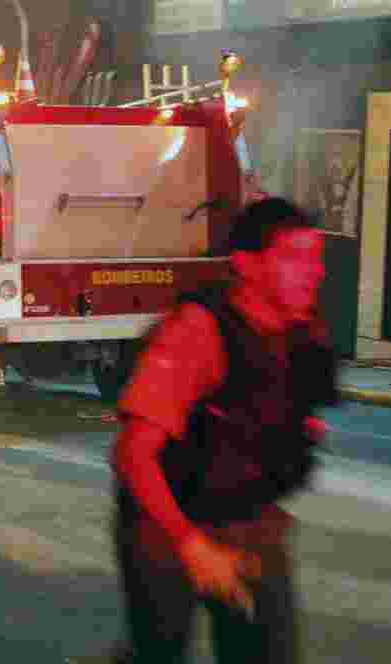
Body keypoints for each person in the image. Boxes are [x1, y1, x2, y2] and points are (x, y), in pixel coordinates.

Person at [111, 197, 338, 663]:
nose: (315, 272)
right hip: (166, 522)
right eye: (296, 258)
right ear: (247, 266)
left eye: (316, 259)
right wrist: (190, 544)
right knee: (160, 652)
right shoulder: (196, 332)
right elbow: (134, 454)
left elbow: (288, 409)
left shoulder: (301, 330)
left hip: (247, 520)